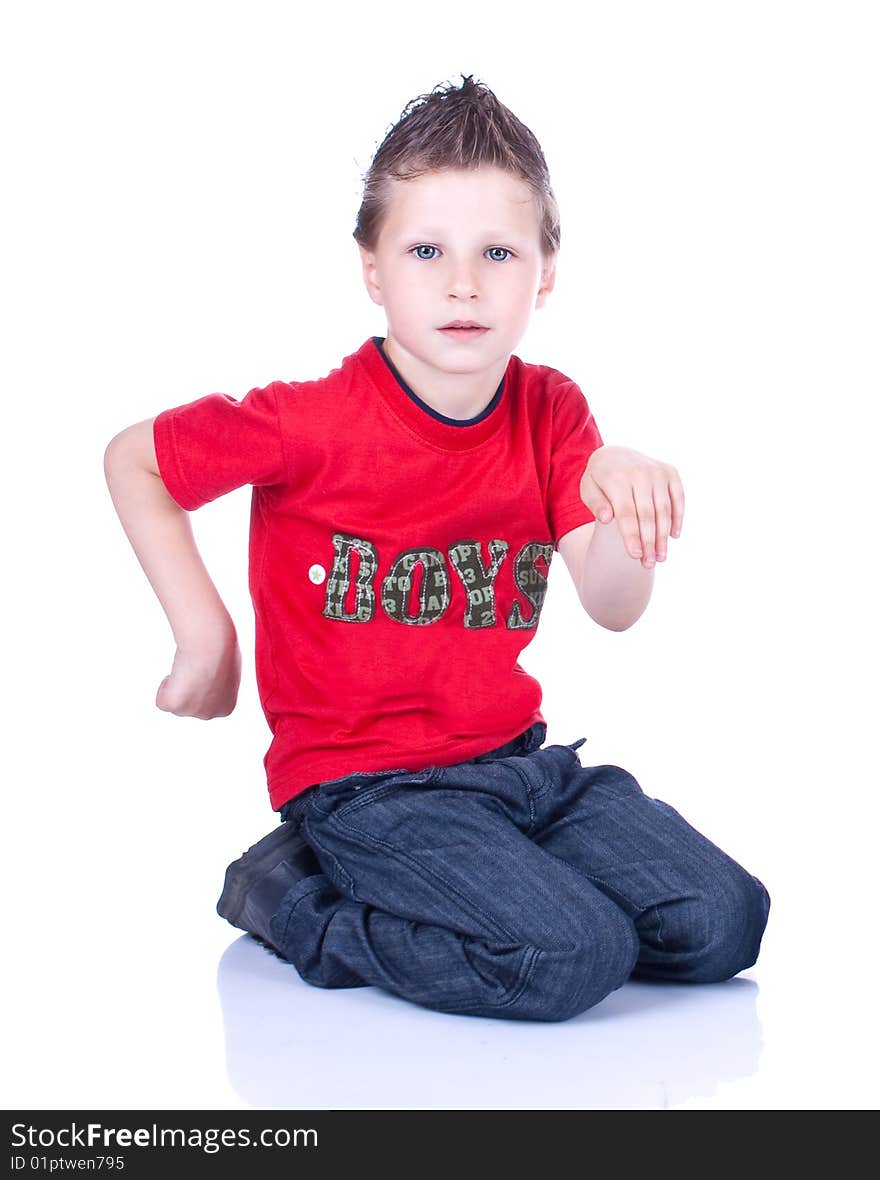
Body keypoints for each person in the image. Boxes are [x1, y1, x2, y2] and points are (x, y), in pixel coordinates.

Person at [104, 74, 770, 1022]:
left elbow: (614, 608)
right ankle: (295, 895)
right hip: (368, 786)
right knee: (569, 957)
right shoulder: (312, 422)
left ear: (544, 273)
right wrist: (205, 639)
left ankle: (503, 883)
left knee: (722, 925)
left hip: (516, 764)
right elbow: (137, 461)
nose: (463, 282)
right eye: (426, 250)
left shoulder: (550, 412)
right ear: (373, 269)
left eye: (496, 252)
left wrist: (625, 512)